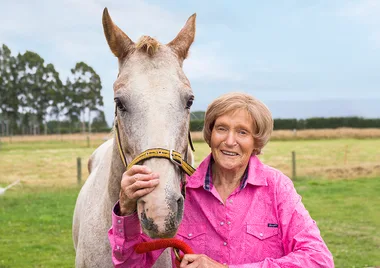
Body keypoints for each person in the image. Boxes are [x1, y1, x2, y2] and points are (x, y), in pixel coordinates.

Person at [108, 92, 334, 267]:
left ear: (257, 142)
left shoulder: (276, 188)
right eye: (222, 129)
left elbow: (319, 260)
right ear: (209, 135)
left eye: (242, 132)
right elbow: (131, 264)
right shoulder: (180, 194)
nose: (229, 141)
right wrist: (126, 210)